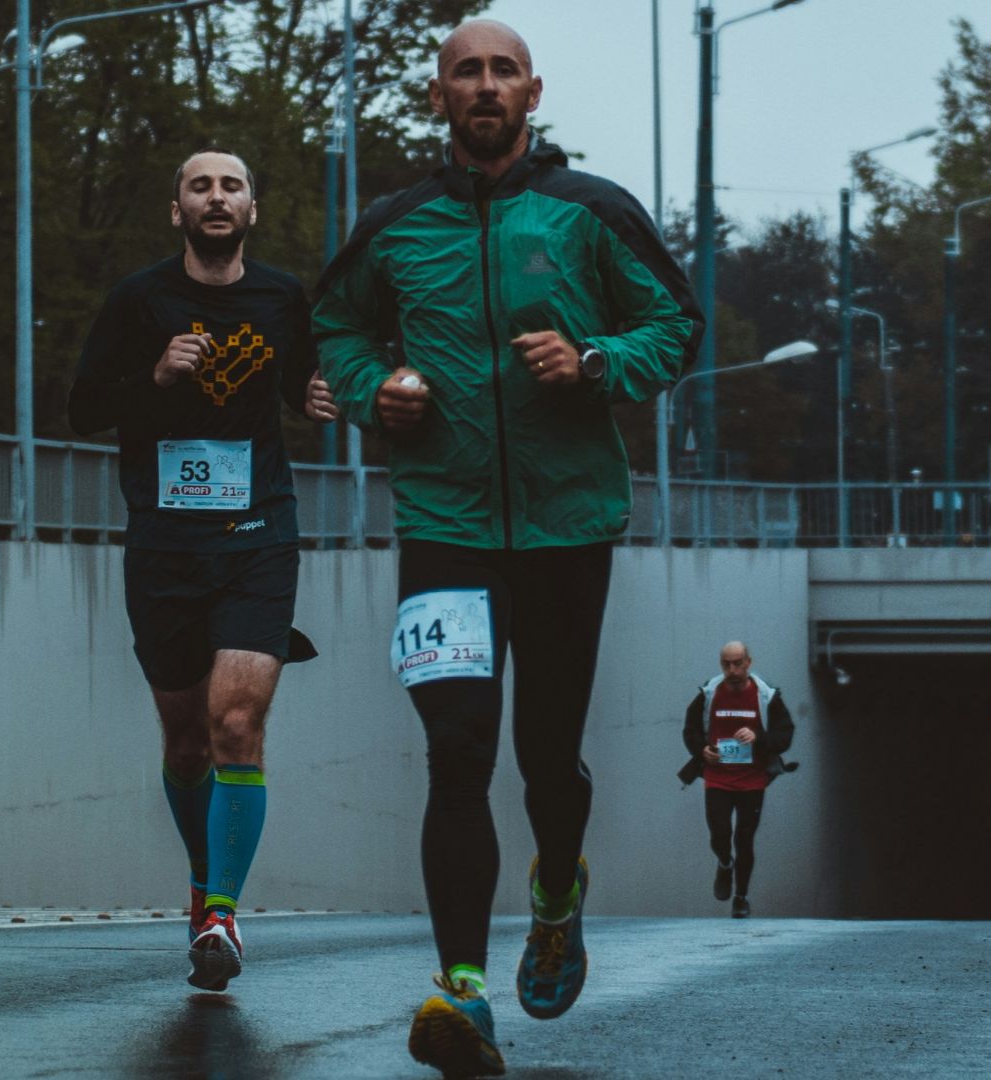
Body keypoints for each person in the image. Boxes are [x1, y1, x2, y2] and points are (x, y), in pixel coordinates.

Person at [311, 18, 701, 1077]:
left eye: (501, 71)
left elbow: (677, 322)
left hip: (570, 524)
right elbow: (335, 331)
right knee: (457, 750)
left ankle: (558, 889)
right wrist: (370, 392)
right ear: (438, 97)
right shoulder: (396, 225)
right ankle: (462, 993)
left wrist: (595, 360)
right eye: (464, 73)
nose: (483, 87)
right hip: (444, 526)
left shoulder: (592, 212)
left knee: (544, 760)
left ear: (533, 92)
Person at [66, 146, 337, 992]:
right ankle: (200, 880)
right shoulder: (140, 300)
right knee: (186, 744)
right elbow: (80, 411)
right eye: (200, 186)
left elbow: (301, 382)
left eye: (232, 186)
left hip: (258, 534)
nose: (216, 198)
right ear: (176, 209)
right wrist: (153, 375)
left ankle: (221, 911)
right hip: (165, 547)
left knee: (235, 727)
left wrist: (317, 399)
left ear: (253, 209)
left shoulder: (285, 296)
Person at [677, 641, 795, 919]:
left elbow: (785, 735)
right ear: (721, 664)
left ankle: (741, 897)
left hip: (752, 780)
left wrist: (759, 738)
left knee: (745, 839)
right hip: (718, 778)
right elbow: (690, 729)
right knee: (719, 834)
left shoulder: (766, 695)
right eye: (726, 664)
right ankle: (724, 863)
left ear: (748, 662)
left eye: (737, 663)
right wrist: (701, 750)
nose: (732, 670)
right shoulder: (708, 693)